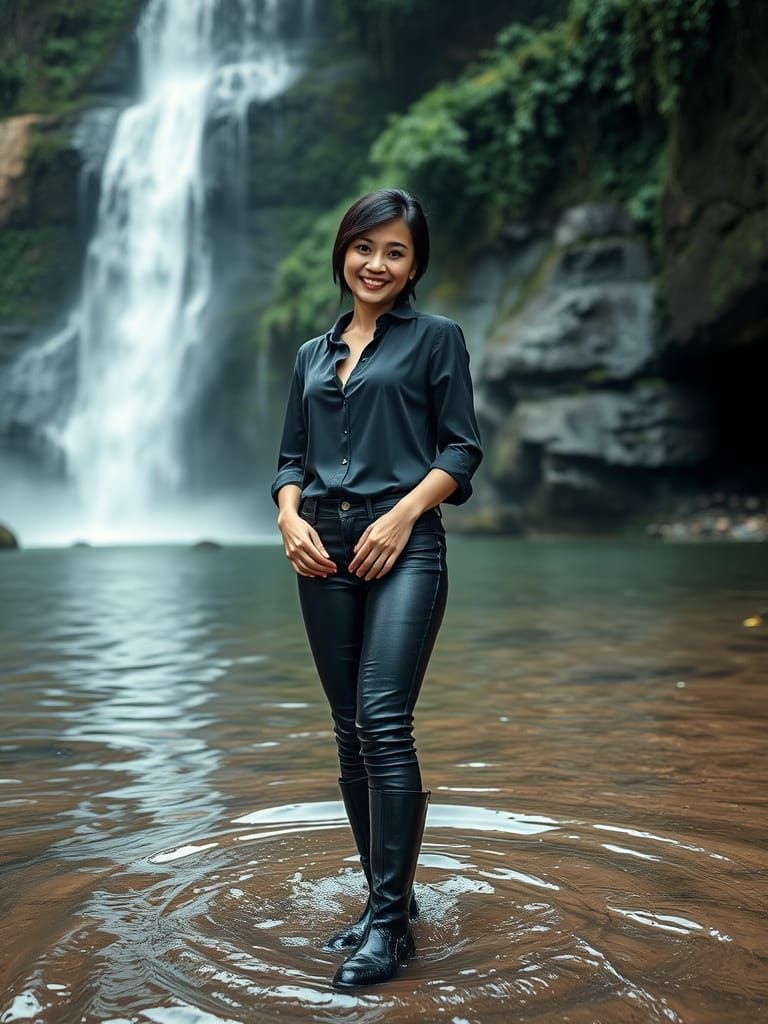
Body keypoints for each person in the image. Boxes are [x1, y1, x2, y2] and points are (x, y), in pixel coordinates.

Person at [270, 188, 483, 989]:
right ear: (343, 251)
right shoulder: (309, 355)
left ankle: (390, 928)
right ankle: (382, 901)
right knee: (346, 726)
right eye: (366, 247)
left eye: (396, 251)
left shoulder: (437, 340)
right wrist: (290, 518)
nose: (377, 264)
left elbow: (461, 450)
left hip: (404, 544)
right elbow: (291, 459)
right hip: (320, 545)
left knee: (383, 719)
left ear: (415, 265)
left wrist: (399, 518)